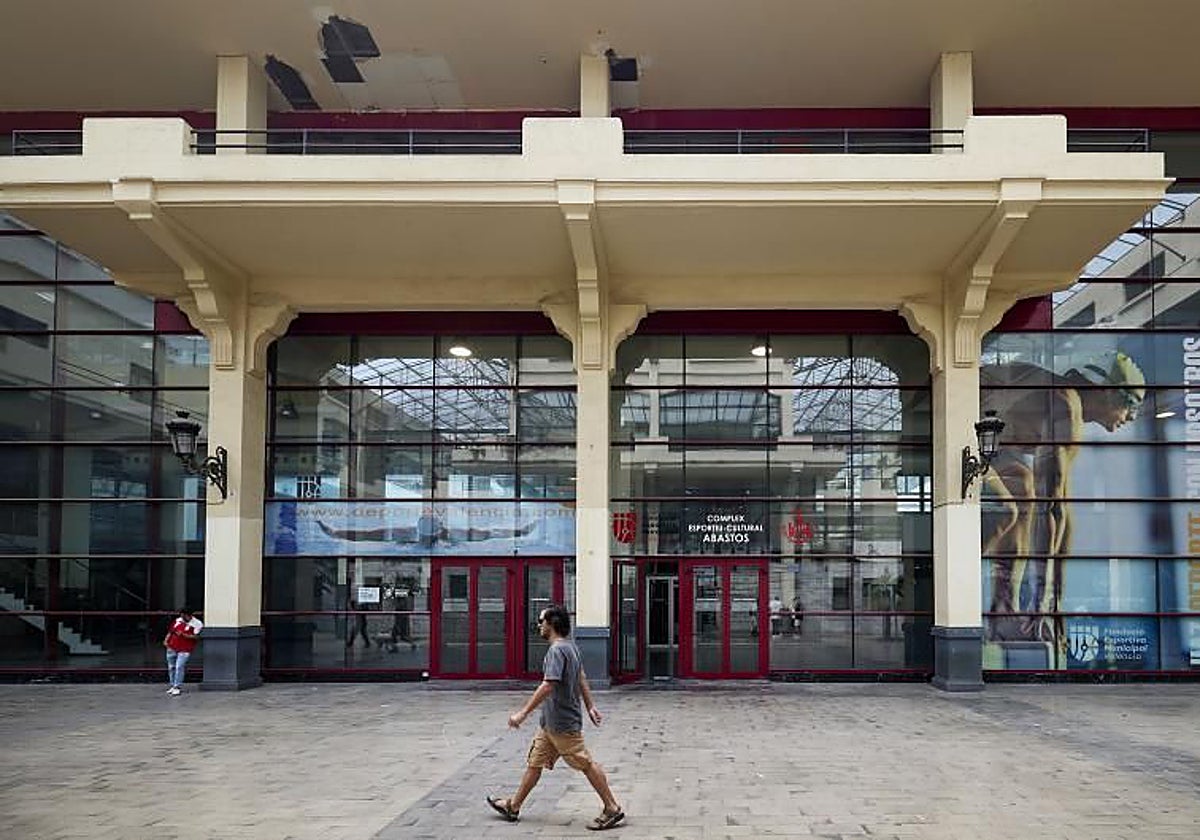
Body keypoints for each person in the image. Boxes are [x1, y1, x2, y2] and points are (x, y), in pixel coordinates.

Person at [981, 350, 1145, 649]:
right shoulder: (1064, 404)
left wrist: (1052, 598)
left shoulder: (1057, 397)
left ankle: (1002, 610)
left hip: (981, 435)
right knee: (1006, 508)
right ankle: (949, 593)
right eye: (1131, 404)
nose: (1132, 417)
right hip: (954, 423)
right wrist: (1044, 600)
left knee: (1022, 486)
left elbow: (1061, 509)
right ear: (1107, 391)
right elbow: (1053, 507)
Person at [486, 604, 624, 831]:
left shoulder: (557, 651)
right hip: (549, 723)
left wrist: (522, 713)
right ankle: (513, 806)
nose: (539, 625)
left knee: (585, 763)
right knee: (535, 763)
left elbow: (548, 685)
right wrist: (590, 706)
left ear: (552, 624)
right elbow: (581, 676)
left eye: (541, 621)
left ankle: (612, 807)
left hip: (562, 723)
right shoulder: (571, 647)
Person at [162, 606, 203, 696]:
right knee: (171, 667)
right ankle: (173, 685)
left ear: (189, 615)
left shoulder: (197, 623)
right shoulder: (178, 620)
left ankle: (177, 686)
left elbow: (196, 637)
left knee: (179, 666)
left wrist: (184, 635)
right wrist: (166, 640)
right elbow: (171, 631)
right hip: (172, 646)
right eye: (182, 615)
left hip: (185, 648)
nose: (183, 618)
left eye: (184, 616)